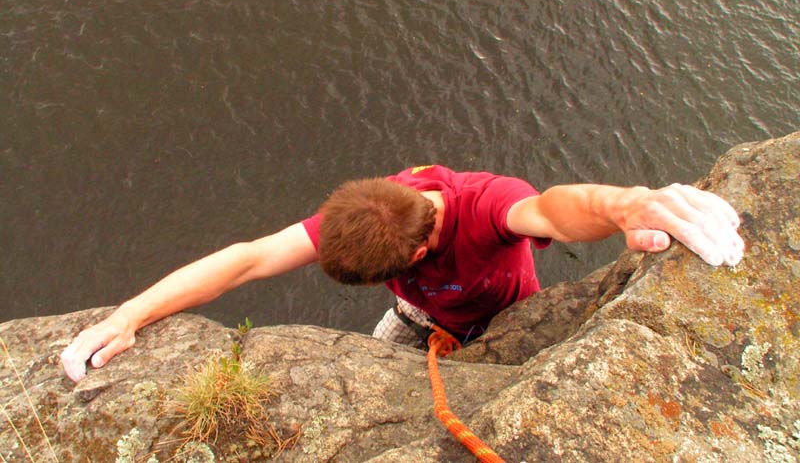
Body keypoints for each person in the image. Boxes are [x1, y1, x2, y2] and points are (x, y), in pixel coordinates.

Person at [60, 165, 744, 382]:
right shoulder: (380, 209)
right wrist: (129, 316)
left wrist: (627, 205)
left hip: (497, 324)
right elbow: (247, 258)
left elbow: (556, 213)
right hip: (422, 317)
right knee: (378, 365)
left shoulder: (488, 208)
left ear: (417, 255)